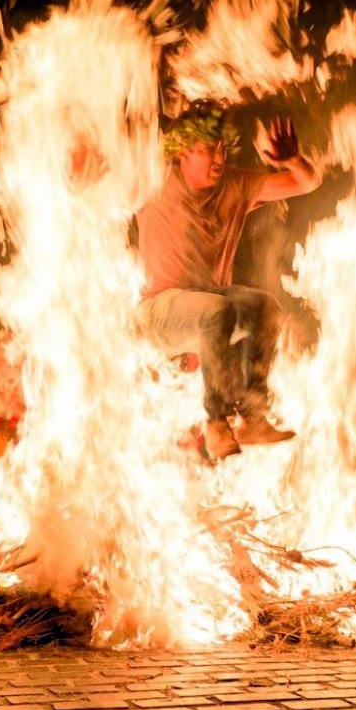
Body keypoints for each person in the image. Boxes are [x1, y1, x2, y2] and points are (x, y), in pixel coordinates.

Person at [135, 101, 321, 460]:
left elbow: (306, 181)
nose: (218, 158)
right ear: (183, 153)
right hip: (159, 313)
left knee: (264, 306)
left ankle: (252, 416)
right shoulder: (154, 180)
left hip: (210, 305)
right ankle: (215, 422)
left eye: (222, 148)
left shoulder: (235, 184)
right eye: (207, 150)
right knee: (217, 309)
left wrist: (292, 159)